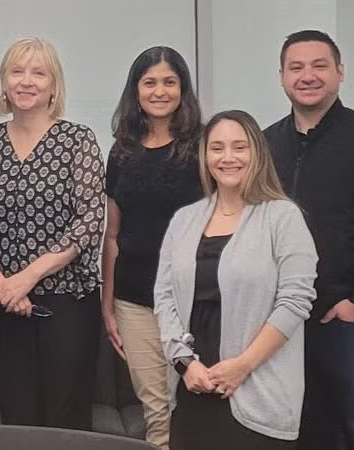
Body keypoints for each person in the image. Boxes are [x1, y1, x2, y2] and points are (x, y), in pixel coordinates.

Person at [154, 110, 317, 449]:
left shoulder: (283, 217)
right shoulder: (184, 220)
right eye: (217, 148)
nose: (228, 157)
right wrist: (184, 363)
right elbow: (165, 296)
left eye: (239, 147)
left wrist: (243, 366)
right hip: (194, 384)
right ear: (205, 155)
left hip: (257, 387)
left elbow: (295, 301)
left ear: (257, 152)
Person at [0, 37, 105, 430]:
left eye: (38, 72)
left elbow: (89, 220)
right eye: (17, 71)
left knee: (65, 422)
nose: (26, 81)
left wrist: (26, 279)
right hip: (3, 305)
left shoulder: (78, 140)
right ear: (4, 82)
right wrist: (2, 285)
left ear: (54, 85)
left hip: (68, 304)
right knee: (17, 419)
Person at [101, 46, 203, 449]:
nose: (159, 91)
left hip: (193, 299)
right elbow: (112, 235)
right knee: (156, 409)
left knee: (194, 403)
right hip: (134, 301)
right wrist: (107, 304)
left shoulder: (203, 147)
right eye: (149, 82)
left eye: (169, 82)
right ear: (136, 90)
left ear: (182, 88)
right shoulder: (122, 150)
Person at [263, 29, 354, 450]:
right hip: (280, 320)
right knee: (298, 431)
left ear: (340, 72)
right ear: (281, 76)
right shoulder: (264, 144)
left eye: (319, 66)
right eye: (296, 67)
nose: (308, 76)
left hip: (343, 315)